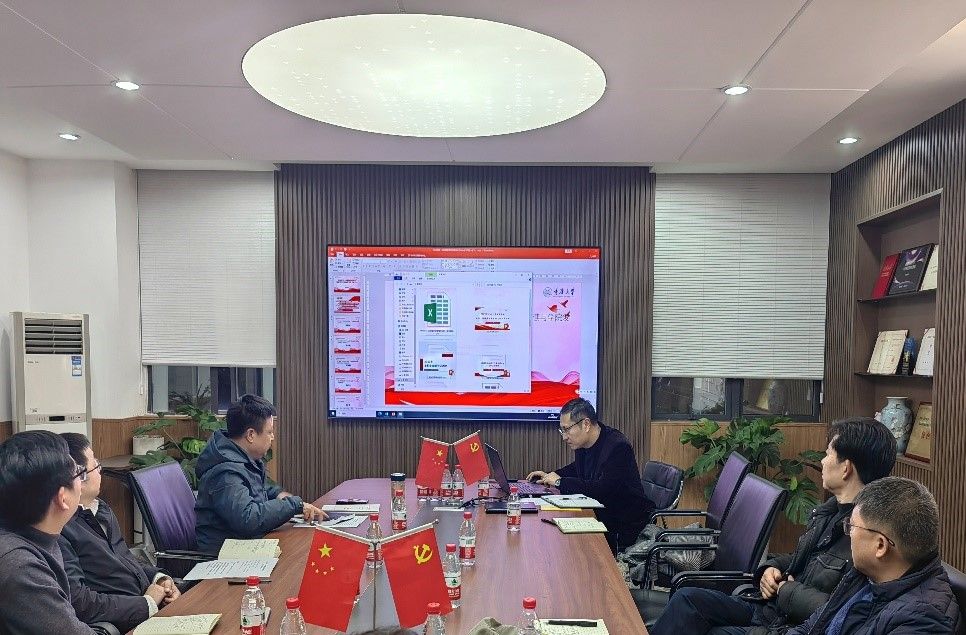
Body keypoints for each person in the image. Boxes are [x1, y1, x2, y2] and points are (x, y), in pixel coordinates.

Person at [650, 416, 897, 635]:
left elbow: (840, 611)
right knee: (688, 600)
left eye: (828, 454)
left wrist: (786, 590)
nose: (822, 461)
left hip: (788, 624)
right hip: (768, 609)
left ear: (846, 468)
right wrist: (770, 569)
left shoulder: (864, 534)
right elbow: (799, 558)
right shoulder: (829, 512)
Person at [788, 477, 960, 634]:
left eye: (852, 526)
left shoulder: (923, 622)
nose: (849, 533)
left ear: (880, 546)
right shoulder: (865, 576)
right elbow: (811, 627)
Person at [58, 433, 180, 633]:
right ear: (80, 476)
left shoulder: (101, 509)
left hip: (149, 607)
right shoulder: (61, 528)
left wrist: (159, 579)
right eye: (96, 465)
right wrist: (146, 604)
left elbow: (126, 559)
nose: (100, 470)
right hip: (126, 622)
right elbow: (79, 601)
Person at [195, 394, 325, 553]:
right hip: (224, 556)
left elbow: (257, 488)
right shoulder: (225, 472)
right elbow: (247, 518)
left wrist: (279, 495)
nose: (273, 437)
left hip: (245, 546)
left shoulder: (242, 458)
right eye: (269, 432)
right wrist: (292, 505)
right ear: (251, 435)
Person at [0, 430, 96, 634]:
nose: (82, 483)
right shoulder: (21, 567)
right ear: (62, 498)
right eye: (79, 474)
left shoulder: (39, 533)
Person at [526, 398, 649, 553]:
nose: (564, 437)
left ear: (586, 424)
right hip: (600, 515)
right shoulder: (584, 444)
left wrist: (560, 482)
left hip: (623, 525)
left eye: (567, 429)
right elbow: (577, 469)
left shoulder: (618, 447)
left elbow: (603, 489)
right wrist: (552, 475)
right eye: (562, 431)